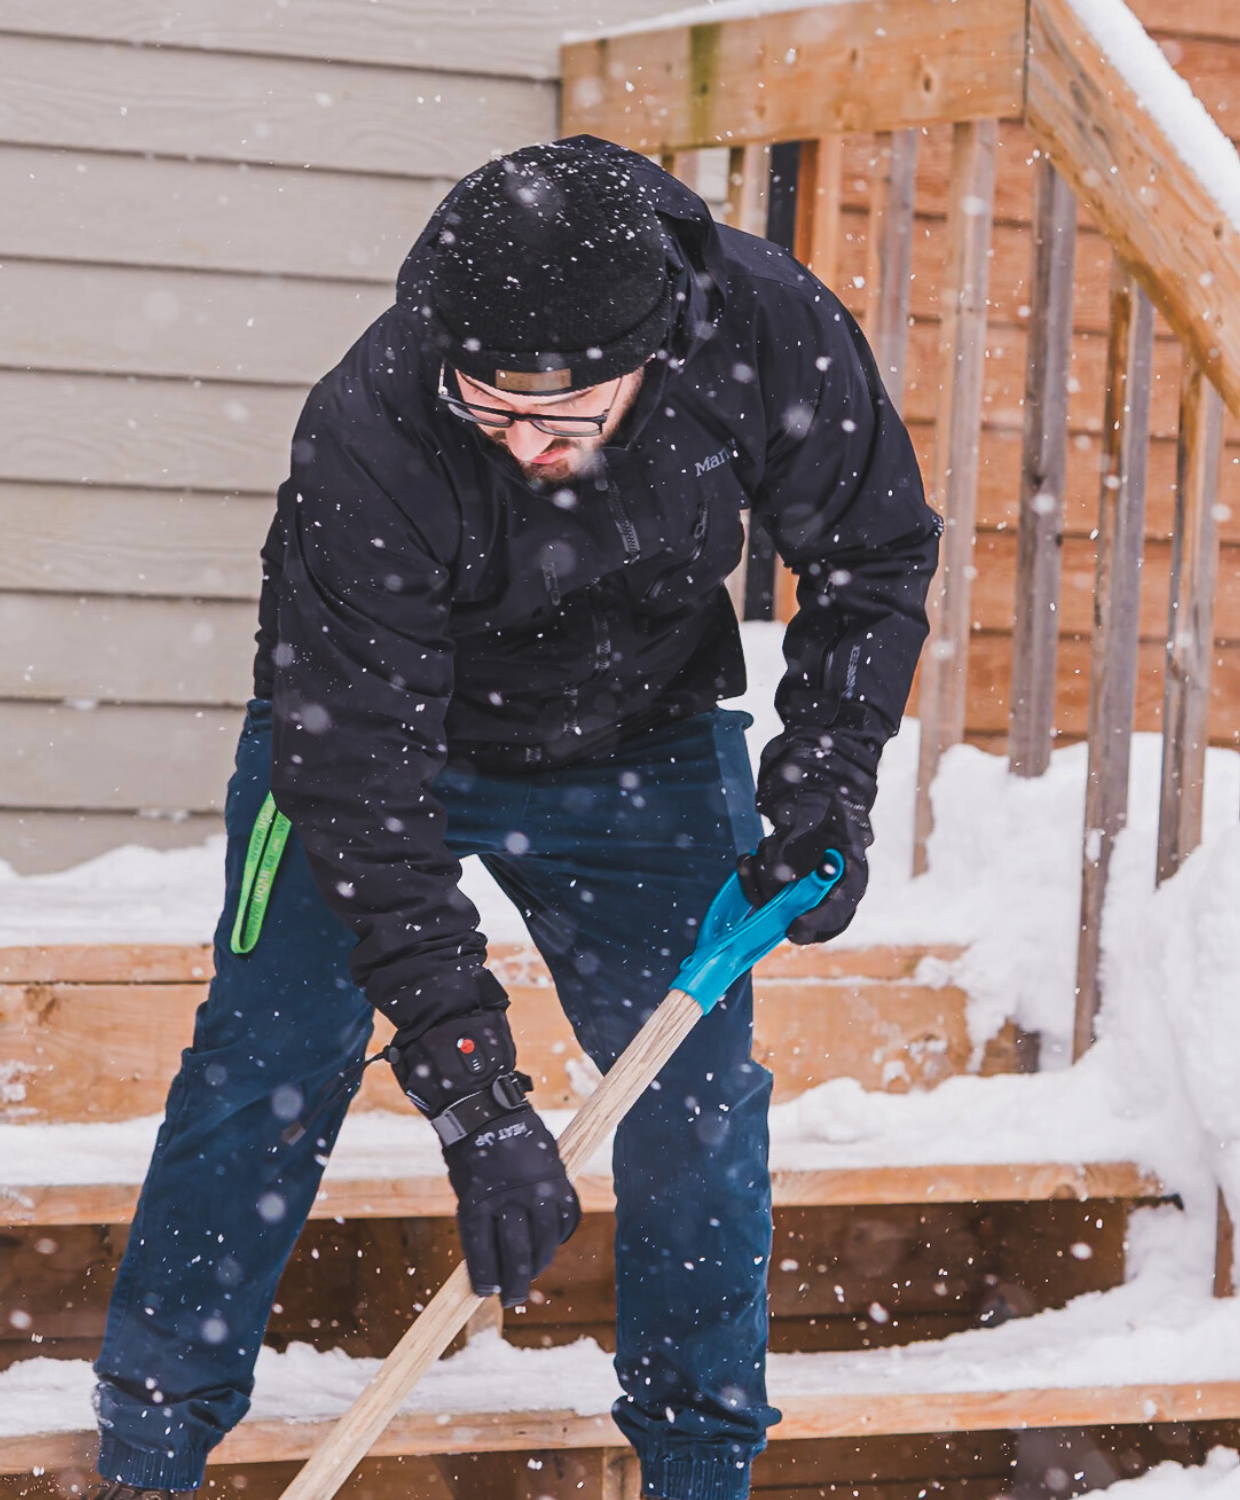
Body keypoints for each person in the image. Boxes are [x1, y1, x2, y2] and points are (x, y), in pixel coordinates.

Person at [90, 135, 940, 1500]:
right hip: (374, 745)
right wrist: (479, 1099)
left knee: (696, 1099)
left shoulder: (770, 334)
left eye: (566, 419)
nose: (532, 452)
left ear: (655, 354)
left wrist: (825, 774)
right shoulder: (368, 424)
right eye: (493, 416)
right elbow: (358, 775)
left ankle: (700, 1460)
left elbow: (873, 549)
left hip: (640, 740)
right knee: (266, 1063)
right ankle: (151, 1442)